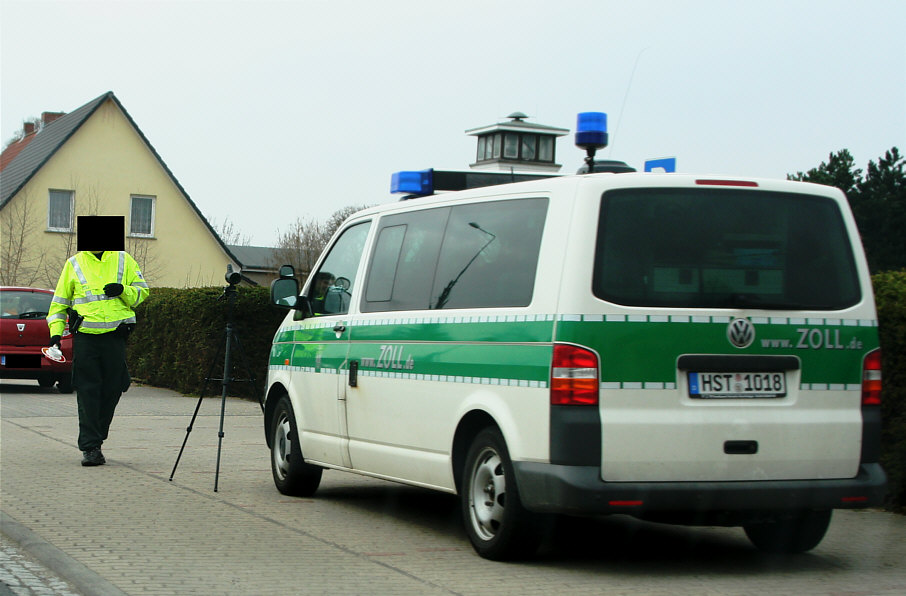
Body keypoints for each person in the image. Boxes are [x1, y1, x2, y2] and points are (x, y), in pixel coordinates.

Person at [46, 216, 149, 466]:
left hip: (115, 337)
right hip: (86, 340)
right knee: (88, 391)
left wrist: (123, 291)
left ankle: (97, 437)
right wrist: (56, 335)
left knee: (115, 387)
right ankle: (91, 447)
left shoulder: (124, 259)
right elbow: (59, 305)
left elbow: (142, 293)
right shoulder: (74, 264)